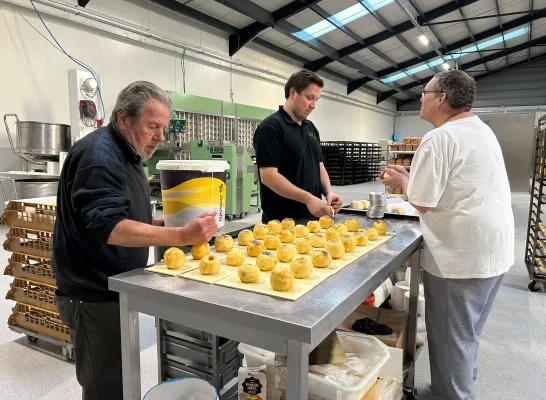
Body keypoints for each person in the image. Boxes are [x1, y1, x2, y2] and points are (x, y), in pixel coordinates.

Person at [52, 81, 218, 400]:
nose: (160, 137)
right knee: (106, 386)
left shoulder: (127, 152)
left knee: (119, 375)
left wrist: (165, 223)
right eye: (152, 126)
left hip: (114, 287)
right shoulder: (98, 156)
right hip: (93, 294)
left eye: (163, 128)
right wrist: (181, 234)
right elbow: (110, 227)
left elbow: (124, 213)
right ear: (124, 118)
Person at [381, 70, 514, 400]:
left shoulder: (439, 138)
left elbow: (423, 201)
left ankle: (454, 395)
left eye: (424, 93)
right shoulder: (478, 130)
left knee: (452, 341)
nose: (420, 100)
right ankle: (445, 390)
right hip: (492, 253)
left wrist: (403, 184)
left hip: (461, 261)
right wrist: (413, 176)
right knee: (466, 338)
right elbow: (454, 183)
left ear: (441, 97)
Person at [253, 69, 343, 223]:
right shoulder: (271, 127)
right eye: (309, 98)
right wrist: (308, 199)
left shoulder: (311, 128)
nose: (313, 105)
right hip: (282, 223)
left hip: (313, 218)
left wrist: (328, 193)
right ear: (292, 92)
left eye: (317, 100)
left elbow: (319, 165)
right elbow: (269, 177)